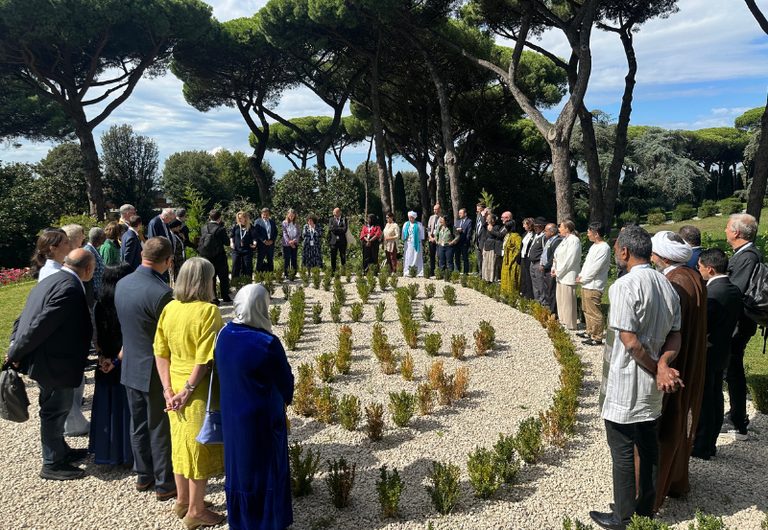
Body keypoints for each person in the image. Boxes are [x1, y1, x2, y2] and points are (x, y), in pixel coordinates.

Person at [589, 226, 682, 530]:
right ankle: (646, 508)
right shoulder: (667, 285)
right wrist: (664, 365)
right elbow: (675, 335)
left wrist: (657, 368)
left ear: (625, 252)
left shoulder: (625, 286)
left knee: (622, 450)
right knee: (649, 446)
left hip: (627, 382)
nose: (617, 253)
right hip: (653, 387)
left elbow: (629, 342)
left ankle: (622, 516)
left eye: (618, 249)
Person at [7, 249, 95, 480]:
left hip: (52, 360)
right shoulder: (69, 287)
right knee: (54, 412)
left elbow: (23, 316)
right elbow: (40, 324)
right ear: (88, 268)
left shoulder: (54, 278)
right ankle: (52, 463)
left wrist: (15, 346)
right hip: (55, 363)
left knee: (57, 409)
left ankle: (60, 450)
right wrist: (15, 352)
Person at [216, 283, 295, 530]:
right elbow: (286, 385)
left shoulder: (224, 334)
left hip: (231, 415)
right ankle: (267, 521)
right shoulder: (267, 342)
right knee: (265, 469)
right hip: (262, 418)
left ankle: (240, 519)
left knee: (239, 468)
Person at [155, 257, 225, 528]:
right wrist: (186, 390)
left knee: (180, 443)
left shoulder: (169, 308)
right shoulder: (209, 311)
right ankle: (196, 511)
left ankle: (183, 499)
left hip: (172, 386)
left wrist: (167, 389)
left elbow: (160, 352)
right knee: (199, 447)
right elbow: (205, 359)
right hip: (196, 390)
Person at [115, 237, 176, 501]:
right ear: (168, 261)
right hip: (153, 368)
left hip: (129, 364)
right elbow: (170, 337)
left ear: (141, 254)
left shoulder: (122, 282)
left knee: (137, 423)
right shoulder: (162, 292)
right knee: (159, 426)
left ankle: (143, 474)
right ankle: (165, 483)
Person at [649, 230, 707, 509]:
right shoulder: (693, 275)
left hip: (674, 363)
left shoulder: (674, 282)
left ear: (661, 257)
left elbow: (669, 329)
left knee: (668, 423)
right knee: (682, 417)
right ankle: (676, 479)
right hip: (691, 358)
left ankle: (654, 489)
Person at [692, 248, 742, 460]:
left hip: (708, 350)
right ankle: (710, 443)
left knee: (704, 401)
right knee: (716, 396)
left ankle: (702, 446)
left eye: (700, 267)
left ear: (710, 269)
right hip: (723, 350)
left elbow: (702, 324)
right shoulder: (733, 288)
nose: (699, 270)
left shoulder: (710, 293)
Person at [89, 262, 134, 467]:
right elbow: (131, 338)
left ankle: (105, 452)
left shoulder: (99, 304)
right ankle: (126, 453)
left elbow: (95, 335)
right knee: (124, 408)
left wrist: (101, 357)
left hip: (104, 361)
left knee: (106, 407)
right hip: (122, 363)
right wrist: (115, 361)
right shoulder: (126, 303)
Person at [723, 213, 761, 441]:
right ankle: (736, 416)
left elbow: (733, 292)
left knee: (733, 370)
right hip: (738, 323)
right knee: (732, 369)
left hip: (737, 324)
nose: (725, 231)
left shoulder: (747, 257)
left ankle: (738, 422)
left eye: (728, 228)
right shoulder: (746, 255)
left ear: (736, 232)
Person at [61, 223, 91, 438]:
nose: (83, 238)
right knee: (67, 390)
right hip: (66, 344)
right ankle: (72, 424)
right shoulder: (63, 277)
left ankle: (73, 420)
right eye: (81, 235)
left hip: (75, 342)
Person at [576, 222, 611, 346]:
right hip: (586, 283)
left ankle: (597, 337)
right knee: (586, 309)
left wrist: (584, 278)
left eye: (589, 232)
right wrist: (581, 275)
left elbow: (595, 268)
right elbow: (587, 264)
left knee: (594, 311)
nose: (588, 234)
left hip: (594, 284)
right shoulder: (594, 246)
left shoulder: (604, 248)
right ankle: (590, 331)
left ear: (596, 234)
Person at [552, 220, 582, 330]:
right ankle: (563, 321)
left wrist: (559, 272)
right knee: (561, 300)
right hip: (560, 276)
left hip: (568, 275)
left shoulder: (574, 241)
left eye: (560, 227)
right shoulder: (565, 240)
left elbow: (570, 260)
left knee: (568, 301)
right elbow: (557, 257)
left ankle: (570, 324)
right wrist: (554, 269)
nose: (559, 229)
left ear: (567, 229)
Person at [200, 209, 231, 304]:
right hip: (219, 257)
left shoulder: (203, 228)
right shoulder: (221, 229)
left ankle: (213, 298)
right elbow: (227, 243)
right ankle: (225, 296)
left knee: (211, 278)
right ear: (219, 218)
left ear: (209, 217)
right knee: (223, 277)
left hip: (207, 257)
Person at [540, 223, 562, 314]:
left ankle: (553, 312)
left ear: (552, 232)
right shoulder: (548, 240)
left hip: (550, 269)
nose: (544, 232)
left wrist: (545, 267)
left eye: (546, 230)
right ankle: (548, 308)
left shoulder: (557, 241)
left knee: (551, 291)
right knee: (546, 290)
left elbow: (553, 257)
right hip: (545, 268)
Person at [229, 211, 256, 279]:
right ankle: (235, 281)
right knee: (235, 264)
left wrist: (254, 243)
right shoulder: (235, 225)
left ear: (245, 218)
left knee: (247, 265)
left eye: (240, 218)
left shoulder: (250, 226)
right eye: (238, 218)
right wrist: (231, 242)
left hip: (247, 249)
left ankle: (247, 280)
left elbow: (254, 237)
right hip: (236, 249)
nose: (239, 220)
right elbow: (231, 235)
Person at [85, 227, 106, 307]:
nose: (105, 239)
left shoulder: (94, 250)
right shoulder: (89, 252)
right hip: (92, 293)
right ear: (99, 238)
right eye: (104, 237)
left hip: (97, 291)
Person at [500, 219, 521, 297]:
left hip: (512, 261)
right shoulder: (507, 235)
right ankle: (505, 293)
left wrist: (513, 257)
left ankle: (512, 294)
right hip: (505, 259)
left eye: (506, 226)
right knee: (505, 276)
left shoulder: (516, 236)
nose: (504, 228)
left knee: (511, 277)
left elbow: (518, 248)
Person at [528, 217, 547, 305]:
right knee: (535, 285)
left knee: (541, 285)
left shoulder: (544, 237)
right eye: (534, 226)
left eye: (538, 226)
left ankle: (543, 303)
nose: (535, 228)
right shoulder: (536, 235)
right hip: (532, 263)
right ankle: (537, 302)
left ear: (542, 227)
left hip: (538, 263)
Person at [254, 207, 278, 273]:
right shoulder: (258, 222)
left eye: (266, 214)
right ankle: (258, 273)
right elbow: (256, 233)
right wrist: (264, 240)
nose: (265, 216)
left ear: (269, 215)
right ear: (261, 214)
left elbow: (276, 232)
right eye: (264, 214)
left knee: (270, 259)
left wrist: (272, 240)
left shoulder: (272, 222)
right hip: (262, 244)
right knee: (260, 259)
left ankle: (271, 273)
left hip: (270, 244)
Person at [402, 211, 425, 277]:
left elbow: (421, 235)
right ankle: (407, 271)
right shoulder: (406, 224)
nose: (410, 219)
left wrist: (417, 240)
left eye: (411, 218)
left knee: (416, 256)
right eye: (409, 218)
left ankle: (418, 271)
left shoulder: (419, 224)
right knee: (408, 256)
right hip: (408, 243)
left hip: (416, 243)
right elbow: (403, 234)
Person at [482, 214, 502, 283]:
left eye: (488, 219)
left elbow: (498, 235)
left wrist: (491, 230)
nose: (487, 220)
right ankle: (485, 278)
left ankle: (491, 279)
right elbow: (485, 236)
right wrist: (483, 248)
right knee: (486, 263)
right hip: (487, 245)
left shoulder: (497, 227)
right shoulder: (487, 226)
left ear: (493, 220)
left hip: (493, 246)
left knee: (492, 263)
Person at [328, 207, 348, 273]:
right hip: (333, 241)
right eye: (333, 212)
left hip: (342, 241)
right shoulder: (331, 219)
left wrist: (336, 229)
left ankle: (343, 270)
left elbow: (345, 229)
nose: (334, 213)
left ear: (339, 212)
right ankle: (333, 270)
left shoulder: (344, 219)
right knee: (333, 256)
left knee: (343, 255)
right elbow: (331, 229)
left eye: (335, 212)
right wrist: (340, 229)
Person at [454, 208, 474, 274]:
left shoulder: (469, 221)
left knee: (465, 258)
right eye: (459, 213)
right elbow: (455, 231)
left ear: (465, 213)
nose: (459, 214)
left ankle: (466, 272)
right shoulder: (458, 221)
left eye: (461, 213)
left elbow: (469, 233)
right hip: (457, 242)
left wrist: (466, 242)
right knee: (457, 258)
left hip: (464, 242)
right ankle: (457, 271)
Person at [520, 218, 535, 299]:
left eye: (525, 224)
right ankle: (524, 292)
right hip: (523, 256)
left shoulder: (534, 235)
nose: (523, 226)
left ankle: (529, 295)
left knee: (528, 277)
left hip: (528, 258)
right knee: (523, 276)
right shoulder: (525, 234)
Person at [282, 209, 300, 275]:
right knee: (287, 259)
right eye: (290, 216)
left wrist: (294, 241)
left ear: (294, 216)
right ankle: (286, 273)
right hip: (286, 243)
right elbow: (284, 233)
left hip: (295, 243)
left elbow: (298, 233)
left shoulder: (297, 223)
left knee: (294, 258)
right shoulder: (284, 222)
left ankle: (293, 273)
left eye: (292, 216)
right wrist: (289, 242)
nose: (291, 217)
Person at [169, 219, 186, 284]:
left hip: (180, 259)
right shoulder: (170, 236)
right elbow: (171, 248)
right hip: (175, 259)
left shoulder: (176, 234)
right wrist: (171, 261)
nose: (179, 229)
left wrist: (182, 238)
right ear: (175, 227)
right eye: (179, 227)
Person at [427, 204, 441, 277]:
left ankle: (439, 271)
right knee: (432, 255)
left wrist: (436, 238)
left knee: (439, 255)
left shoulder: (442, 218)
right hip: (431, 238)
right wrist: (430, 237)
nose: (435, 211)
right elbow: (428, 228)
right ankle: (432, 270)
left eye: (436, 209)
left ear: (439, 209)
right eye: (434, 209)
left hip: (439, 239)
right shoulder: (431, 217)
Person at [474, 203, 488, 274]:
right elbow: (477, 227)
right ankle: (480, 271)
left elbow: (483, 224)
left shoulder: (485, 216)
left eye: (479, 209)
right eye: (477, 209)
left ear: (483, 209)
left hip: (483, 239)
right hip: (477, 239)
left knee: (483, 257)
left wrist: (483, 215)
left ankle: (484, 272)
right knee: (478, 257)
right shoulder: (478, 216)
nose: (478, 211)